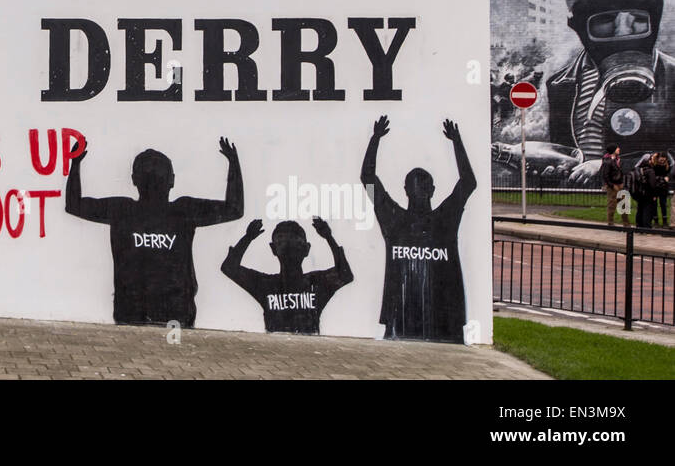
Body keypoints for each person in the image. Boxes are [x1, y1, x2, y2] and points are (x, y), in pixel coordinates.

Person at [66, 135, 243, 327]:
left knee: (141, 354)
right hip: (172, 315)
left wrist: (75, 163)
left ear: (134, 180)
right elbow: (233, 209)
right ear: (172, 180)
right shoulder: (183, 210)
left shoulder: (122, 209)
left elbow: (74, 205)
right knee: (174, 352)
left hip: (137, 313)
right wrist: (233, 163)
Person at [546, 0, 675, 184]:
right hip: (579, 203)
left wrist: (611, 167)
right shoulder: (560, 85)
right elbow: (565, 152)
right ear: (577, 25)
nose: (623, 30)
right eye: (606, 19)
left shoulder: (672, 78)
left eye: (638, 19)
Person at [361, 116, 476, 343]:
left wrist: (457, 141)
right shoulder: (394, 219)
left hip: (443, 316)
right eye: (416, 185)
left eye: (423, 186)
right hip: (401, 315)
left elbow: (468, 182)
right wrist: (375, 139)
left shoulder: (443, 218)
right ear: (406, 190)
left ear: (432, 189)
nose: (419, 191)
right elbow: (368, 179)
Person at [220, 217, 353, 334]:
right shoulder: (267, 284)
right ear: (273, 249)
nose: (289, 247)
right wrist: (328, 238)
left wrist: (248, 238)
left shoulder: (316, 282)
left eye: (295, 242)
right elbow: (229, 268)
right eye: (282, 241)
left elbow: (345, 275)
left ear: (307, 249)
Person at [601, 146, 629, 227]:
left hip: (620, 184)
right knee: (612, 204)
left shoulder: (617, 160)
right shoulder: (608, 161)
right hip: (613, 186)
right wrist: (611, 185)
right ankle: (611, 222)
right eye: (617, 148)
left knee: (624, 204)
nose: (619, 149)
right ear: (613, 150)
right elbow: (605, 175)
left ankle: (626, 223)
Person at [633, 153, 659, 229]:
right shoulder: (650, 171)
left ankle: (639, 226)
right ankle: (647, 227)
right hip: (648, 193)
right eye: (651, 159)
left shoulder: (638, 169)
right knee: (647, 210)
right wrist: (654, 194)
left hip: (639, 193)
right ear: (648, 161)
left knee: (640, 209)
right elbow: (652, 184)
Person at [651, 151, 672, 227]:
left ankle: (664, 222)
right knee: (654, 204)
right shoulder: (654, 164)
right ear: (658, 158)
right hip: (655, 187)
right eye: (661, 159)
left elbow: (669, 174)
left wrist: (667, 178)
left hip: (663, 187)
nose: (662, 161)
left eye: (664, 160)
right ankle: (656, 221)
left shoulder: (667, 165)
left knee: (663, 204)